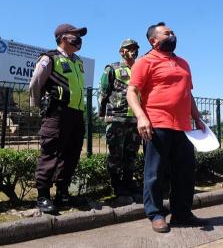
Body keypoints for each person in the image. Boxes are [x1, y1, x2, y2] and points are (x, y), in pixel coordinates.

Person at [127, 22, 207, 233]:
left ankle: (182, 213)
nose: (172, 35)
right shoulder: (145, 62)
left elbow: (187, 94)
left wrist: (197, 118)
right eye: (167, 33)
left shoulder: (183, 63)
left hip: (183, 127)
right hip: (157, 123)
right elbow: (132, 92)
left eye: (173, 32)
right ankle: (155, 214)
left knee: (185, 173)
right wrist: (141, 117)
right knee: (155, 173)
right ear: (153, 40)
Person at [29, 23, 87, 214]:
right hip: (57, 113)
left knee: (71, 154)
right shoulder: (49, 58)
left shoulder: (78, 61)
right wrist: (39, 106)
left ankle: (62, 193)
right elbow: (36, 83)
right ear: (63, 37)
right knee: (51, 153)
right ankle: (43, 196)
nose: (79, 39)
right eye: (75, 35)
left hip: (77, 114)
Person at [98, 39, 142, 205]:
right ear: (121, 51)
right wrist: (103, 114)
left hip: (135, 119)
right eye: (129, 48)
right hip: (117, 118)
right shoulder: (112, 68)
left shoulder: (140, 68)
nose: (133, 51)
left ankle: (129, 183)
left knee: (131, 154)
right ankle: (118, 187)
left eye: (135, 48)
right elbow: (103, 92)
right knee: (116, 154)